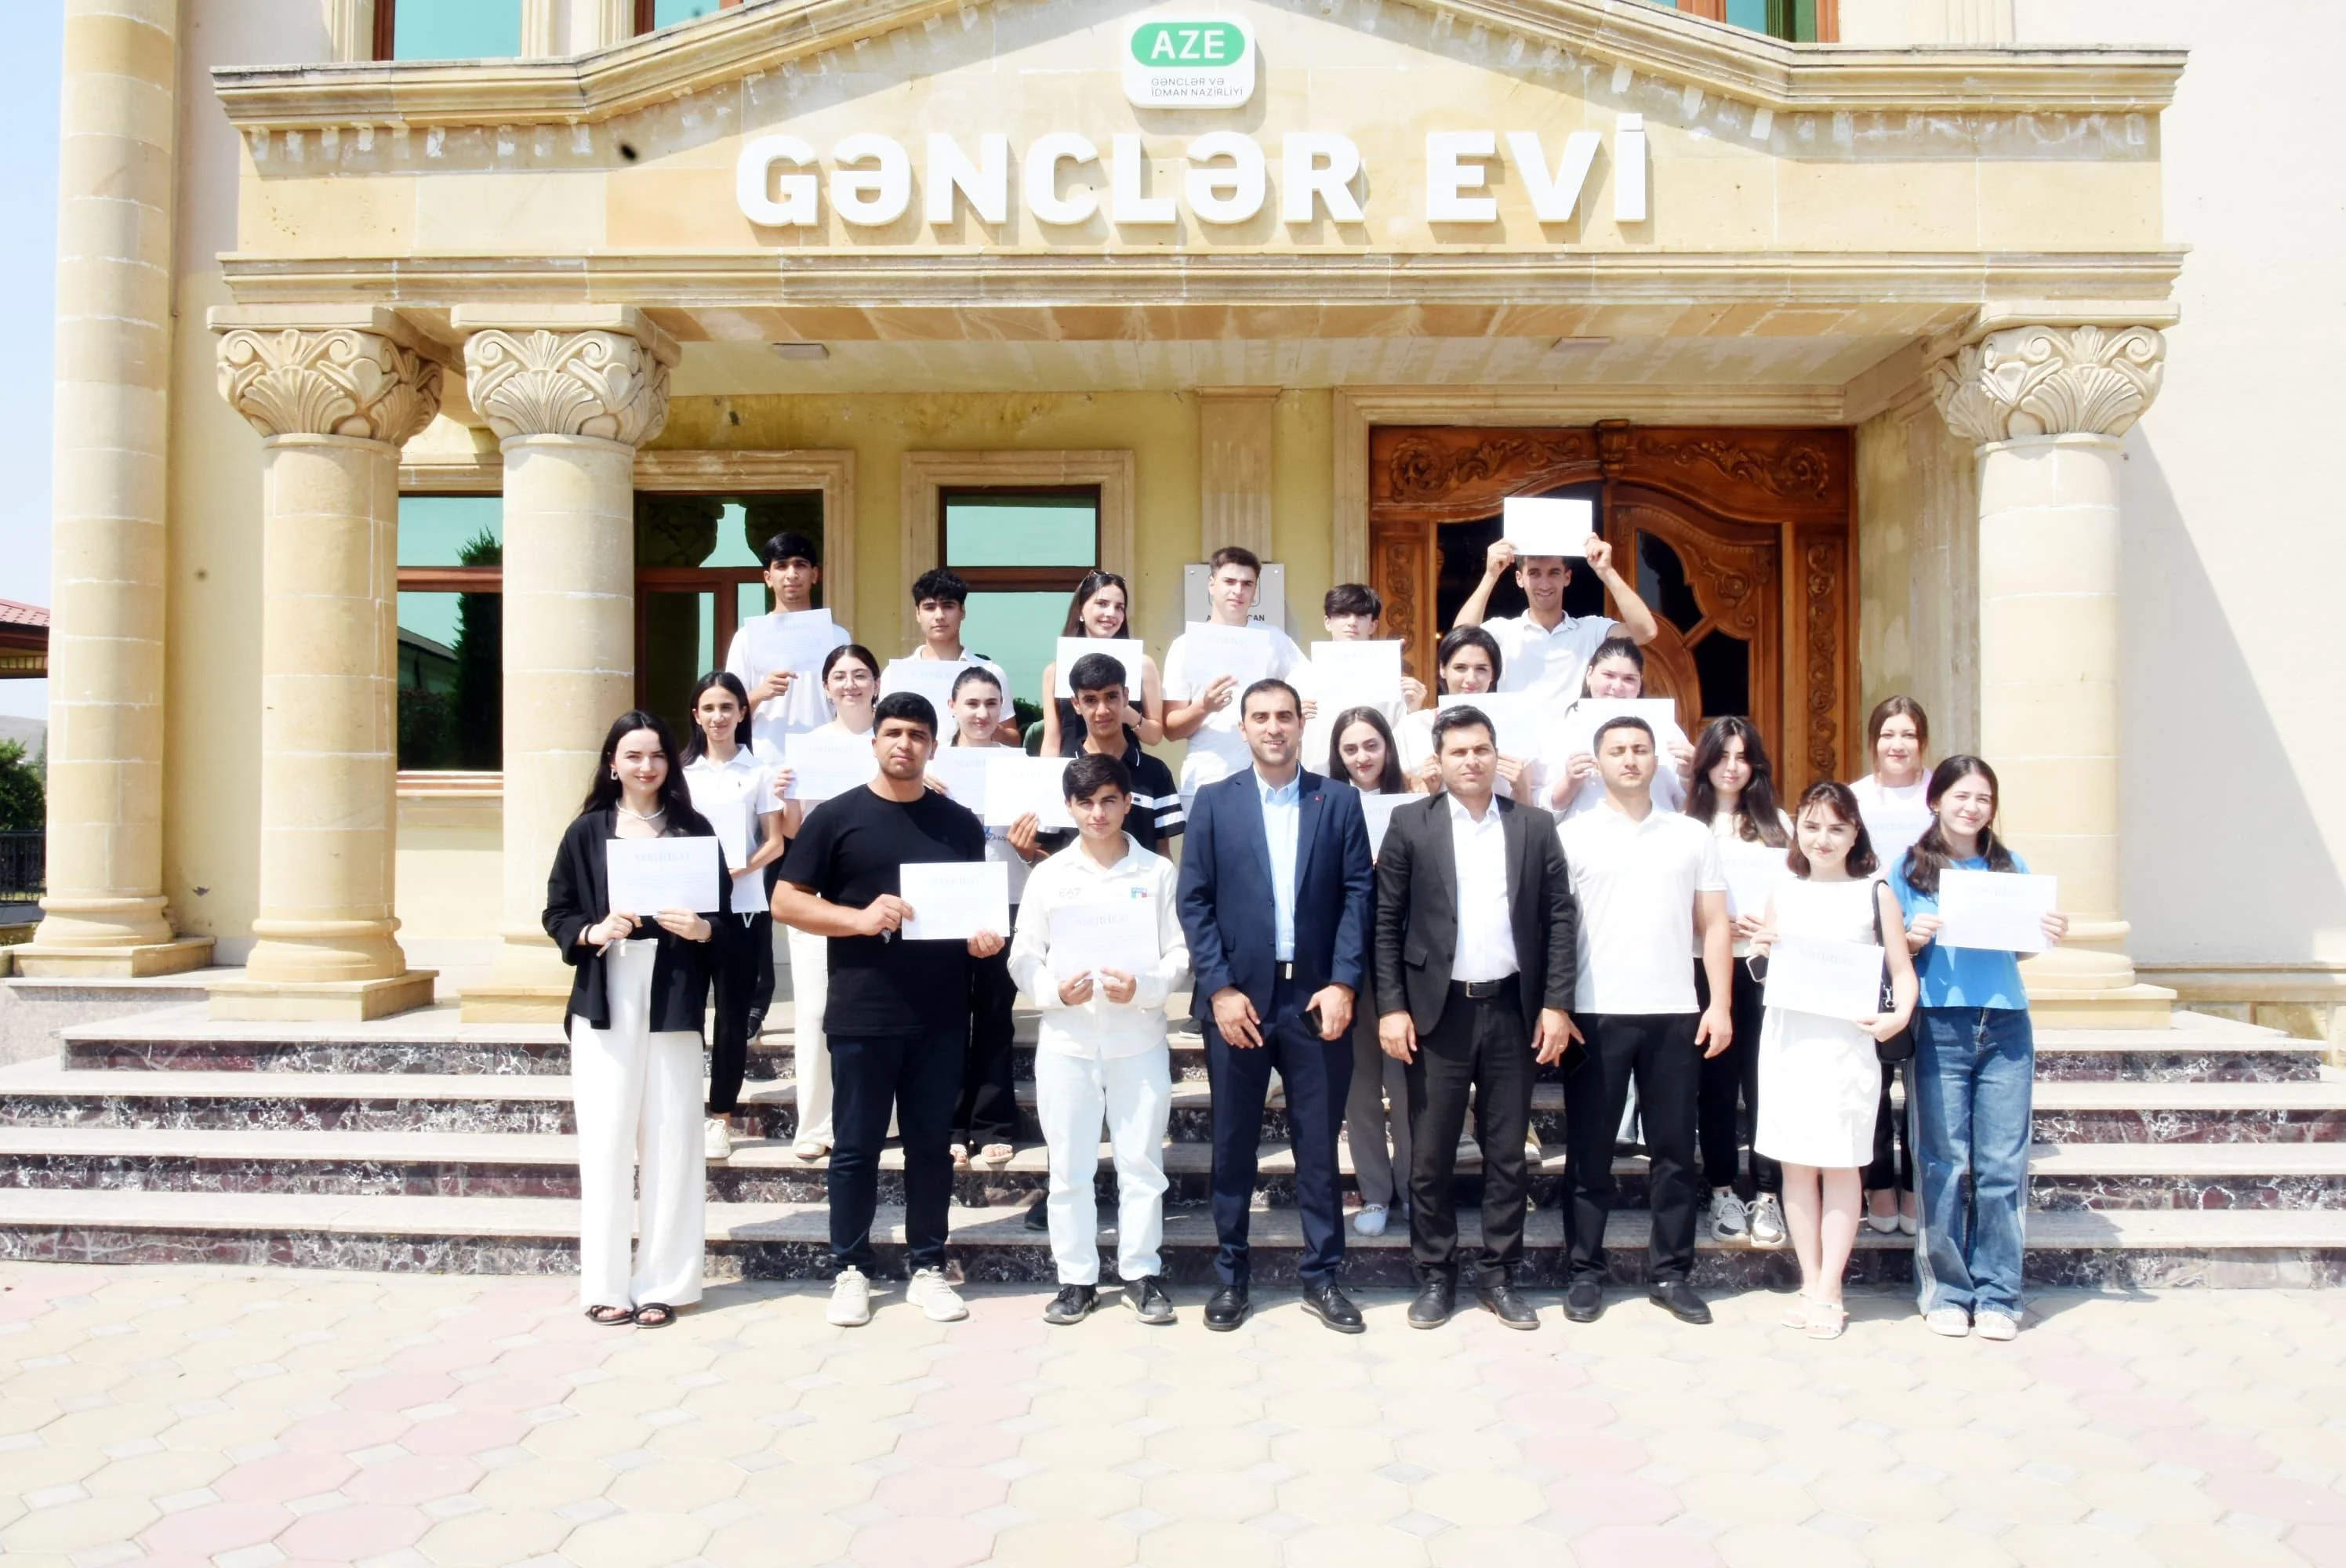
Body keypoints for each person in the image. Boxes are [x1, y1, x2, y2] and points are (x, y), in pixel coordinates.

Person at [772, 691, 1004, 1329]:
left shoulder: (957, 822)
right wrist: (858, 918)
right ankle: (851, 1268)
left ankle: (927, 1265)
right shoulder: (837, 818)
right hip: (863, 1010)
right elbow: (787, 902)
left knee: (932, 1147)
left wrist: (984, 938)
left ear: (934, 745)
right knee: (855, 1148)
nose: (905, 744)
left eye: (919, 735)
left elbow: (976, 911)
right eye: (894, 732)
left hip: (939, 1012)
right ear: (874, 741)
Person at [1176, 679, 1375, 1334]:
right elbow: (1195, 901)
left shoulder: (1338, 801)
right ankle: (1233, 1279)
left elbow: (1357, 897)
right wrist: (1221, 988)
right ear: (1242, 727)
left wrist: (1345, 983)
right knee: (1232, 1147)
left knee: (1317, 1147)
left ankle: (1323, 1278)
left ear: (1300, 726)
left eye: (1284, 716)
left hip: (1316, 1001)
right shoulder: (1213, 803)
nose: (1273, 727)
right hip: (1239, 1002)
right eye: (1260, 716)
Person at [1373, 707, 1579, 1331]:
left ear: (1496, 753)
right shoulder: (1410, 824)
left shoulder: (1535, 826)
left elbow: (1561, 920)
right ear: (1438, 761)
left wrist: (1557, 1003)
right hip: (1437, 1014)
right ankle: (1436, 1275)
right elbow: (1385, 923)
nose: (1472, 761)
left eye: (1482, 749)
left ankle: (1499, 1275)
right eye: (1459, 752)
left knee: (1507, 1155)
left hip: (1514, 1010)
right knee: (1431, 1154)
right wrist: (1391, 1007)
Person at [543, 711, 728, 1330]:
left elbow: (725, 920)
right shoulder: (587, 831)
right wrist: (593, 931)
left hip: (672, 994)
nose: (645, 766)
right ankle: (605, 1283)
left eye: (656, 755)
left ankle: (665, 1284)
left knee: (674, 1138)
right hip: (607, 991)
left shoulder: (693, 830)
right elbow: (558, 910)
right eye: (633, 755)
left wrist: (703, 928)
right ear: (612, 763)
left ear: (670, 764)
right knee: (606, 1140)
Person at [1555, 716, 1734, 1326]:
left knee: (1674, 1153)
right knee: (1589, 1152)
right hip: (1595, 1011)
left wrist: (1719, 1004)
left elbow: (1714, 926)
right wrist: (1558, 1005)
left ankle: (1671, 1273)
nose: (1630, 760)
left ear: (1657, 760)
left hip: (1675, 1011)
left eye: (1639, 750)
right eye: (1617, 751)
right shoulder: (1572, 835)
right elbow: (1555, 931)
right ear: (1597, 762)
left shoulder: (1690, 836)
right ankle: (1584, 1271)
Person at [1008, 753, 1189, 1327]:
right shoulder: (1049, 876)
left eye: (1109, 800)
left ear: (1128, 803)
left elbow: (1179, 954)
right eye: (1085, 802)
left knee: (1140, 1163)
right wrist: (1053, 990)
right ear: (1069, 807)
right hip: (1068, 1041)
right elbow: (1023, 955)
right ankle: (1077, 1279)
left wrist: (1147, 987)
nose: (1098, 813)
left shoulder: (1157, 874)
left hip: (1138, 1038)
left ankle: (1141, 1273)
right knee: (1069, 1168)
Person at [1891, 756, 2067, 1342]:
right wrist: (1913, 941)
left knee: (2001, 1164)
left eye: (1983, 799)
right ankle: (1946, 1289)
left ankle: (1998, 1291)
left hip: (2006, 1023)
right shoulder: (1908, 870)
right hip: (1941, 1022)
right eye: (1961, 796)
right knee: (1944, 1160)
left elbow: (2016, 952)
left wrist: (2041, 936)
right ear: (1935, 799)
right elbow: (1893, 955)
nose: (1971, 808)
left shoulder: (2010, 866)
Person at [1749, 782, 1918, 1340]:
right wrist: (1760, 952)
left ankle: (1831, 1290)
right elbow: (1765, 970)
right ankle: (1810, 1280)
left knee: (1843, 1162)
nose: (1823, 839)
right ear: (1797, 826)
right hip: (1790, 1040)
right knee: (1796, 1165)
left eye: (1837, 828)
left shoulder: (1876, 892)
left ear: (1856, 834)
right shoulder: (1785, 890)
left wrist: (1897, 1018)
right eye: (1813, 825)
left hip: (1847, 1046)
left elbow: (1902, 973)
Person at [769, 644, 882, 1160]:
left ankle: (887, 1118)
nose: (851, 684)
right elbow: (794, 830)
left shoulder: (894, 738)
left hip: (883, 892)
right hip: (821, 892)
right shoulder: (809, 745)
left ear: (876, 683)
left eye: (860, 675)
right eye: (840, 676)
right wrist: (788, 797)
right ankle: (816, 1125)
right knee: (816, 1010)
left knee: (884, 1009)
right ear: (826, 687)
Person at [1683, 717, 1791, 1248]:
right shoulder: (1683, 825)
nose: (1732, 767)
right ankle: (1723, 1188)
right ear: (1705, 763)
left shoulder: (1781, 825)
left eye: (1743, 757)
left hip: (1765, 971)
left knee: (1768, 1085)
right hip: (1705, 969)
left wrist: (1773, 927)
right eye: (1722, 756)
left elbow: (1806, 898)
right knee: (1717, 1088)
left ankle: (1768, 1195)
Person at [937, 666, 1044, 1168]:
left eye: (991, 703)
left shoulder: (1023, 764)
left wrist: (1028, 850)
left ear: (1003, 709)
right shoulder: (931, 764)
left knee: (996, 1016)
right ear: (953, 707)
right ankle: (948, 1123)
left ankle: (995, 1123)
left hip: (1009, 900)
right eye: (972, 703)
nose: (981, 713)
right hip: (945, 905)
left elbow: (1048, 849)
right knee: (949, 1015)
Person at [681, 672, 787, 1160]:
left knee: (729, 1019)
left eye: (728, 707)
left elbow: (775, 841)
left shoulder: (760, 770)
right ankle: (677, 1109)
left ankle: (720, 1116)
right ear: (696, 716)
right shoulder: (680, 774)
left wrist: (738, 869)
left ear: (743, 713)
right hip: (684, 911)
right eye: (709, 708)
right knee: (681, 1015)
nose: (718, 716)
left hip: (742, 908)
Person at [1325, 706, 1419, 1239]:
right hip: (1351, 967)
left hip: (1408, 968)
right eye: (1350, 748)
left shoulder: (1418, 805)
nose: (1363, 757)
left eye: (1371, 745)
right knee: (1360, 1090)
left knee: (1409, 1091)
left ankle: (1412, 1189)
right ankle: (1376, 1192)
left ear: (1388, 747)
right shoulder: (1326, 806)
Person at [1850, 695, 1933, 1236]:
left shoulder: (1941, 796)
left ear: (1922, 741)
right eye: (1887, 735)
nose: (1896, 745)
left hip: (1938, 952)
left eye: (1906, 734)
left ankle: (1920, 1187)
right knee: (1873, 1079)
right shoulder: (1856, 798)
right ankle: (1879, 1185)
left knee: (1927, 1081)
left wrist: (1924, 928)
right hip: (1869, 953)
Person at [1163, 546, 1309, 809]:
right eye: (1229, 581)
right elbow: (1171, 729)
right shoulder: (1184, 646)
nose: (1238, 591)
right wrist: (1204, 707)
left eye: (1247, 584)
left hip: (1268, 779)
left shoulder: (1274, 639)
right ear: (1211, 584)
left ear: (1255, 591)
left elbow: (1309, 685)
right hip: (1206, 778)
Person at [1452, 530, 1659, 703]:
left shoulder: (1591, 631)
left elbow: (1645, 631)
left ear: (1567, 577)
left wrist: (1606, 570)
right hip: (1517, 749)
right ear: (1519, 578)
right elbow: (1459, 642)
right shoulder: (1502, 632)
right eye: (1534, 573)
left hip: (1577, 750)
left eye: (1553, 573)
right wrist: (1491, 575)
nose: (1544, 584)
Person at [725, 531, 852, 763]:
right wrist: (759, 694)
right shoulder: (746, 638)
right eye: (781, 566)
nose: (791, 574)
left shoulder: (837, 636)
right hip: (764, 760)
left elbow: (852, 704)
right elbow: (727, 709)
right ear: (768, 578)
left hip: (825, 757)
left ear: (814, 575)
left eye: (800, 565)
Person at [1545, 638, 1694, 820]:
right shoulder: (1563, 728)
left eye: (1629, 679)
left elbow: (1686, 804)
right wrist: (1570, 782)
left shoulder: (1665, 728)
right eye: (1608, 675)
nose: (1617, 687)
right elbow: (1541, 806)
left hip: (1654, 834)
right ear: (1589, 675)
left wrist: (1690, 774)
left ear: (1640, 684)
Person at [1052, 652, 1186, 853]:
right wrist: (1026, 853)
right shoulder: (1057, 772)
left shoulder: (1155, 772)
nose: (1102, 710)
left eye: (1111, 696)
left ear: (1125, 697)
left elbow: (1163, 851)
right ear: (1076, 704)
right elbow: (1046, 851)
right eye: (1090, 700)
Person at [1299, 583, 1429, 771]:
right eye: (1343, 614)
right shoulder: (1301, 677)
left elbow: (1401, 739)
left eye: (1361, 615)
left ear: (1373, 625)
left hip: (1376, 782)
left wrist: (1414, 709)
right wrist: (1293, 717)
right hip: (1321, 779)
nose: (1352, 622)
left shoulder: (1393, 680)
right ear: (1327, 622)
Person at [1038, 568, 1164, 757]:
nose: (1111, 613)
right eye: (1102, 604)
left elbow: (1155, 736)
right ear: (1081, 609)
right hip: (1073, 772)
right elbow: (1052, 738)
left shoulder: (1142, 665)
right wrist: (1047, 781)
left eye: (1119, 607)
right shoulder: (1055, 671)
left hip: (1125, 770)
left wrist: (1126, 712)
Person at [1395, 626, 1531, 800]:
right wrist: (1426, 789)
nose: (1471, 679)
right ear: (1443, 669)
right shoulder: (1413, 727)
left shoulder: (1518, 729)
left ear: (1493, 675)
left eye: (1481, 669)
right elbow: (1396, 800)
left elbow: (1530, 813)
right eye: (1460, 668)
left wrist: (1522, 787)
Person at [907, 568, 1019, 745]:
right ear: (917, 614)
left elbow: (1013, 741)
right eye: (929, 607)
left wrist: (981, 721)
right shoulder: (899, 672)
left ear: (963, 611)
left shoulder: (989, 671)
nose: (939, 616)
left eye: (948, 606)